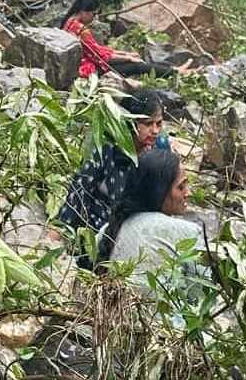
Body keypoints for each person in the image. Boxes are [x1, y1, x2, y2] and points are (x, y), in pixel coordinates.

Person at [57, 89, 165, 265]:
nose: (154, 130)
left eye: (159, 124)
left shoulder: (159, 150)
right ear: (130, 122)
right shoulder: (108, 148)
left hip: (138, 233)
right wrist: (60, 230)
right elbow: (81, 189)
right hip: (99, 229)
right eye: (147, 123)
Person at [99, 148, 203, 272]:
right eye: (181, 187)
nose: (188, 193)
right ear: (159, 191)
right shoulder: (188, 233)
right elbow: (203, 287)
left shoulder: (106, 231)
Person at [61, 0, 179, 80]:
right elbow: (100, 57)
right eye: (94, 14)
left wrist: (125, 54)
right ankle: (175, 72)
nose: (95, 18)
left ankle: (173, 69)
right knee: (137, 66)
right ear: (84, 12)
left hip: (84, 63)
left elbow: (96, 49)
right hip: (89, 69)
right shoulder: (81, 30)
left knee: (135, 59)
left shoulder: (68, 22)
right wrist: (127, 58)